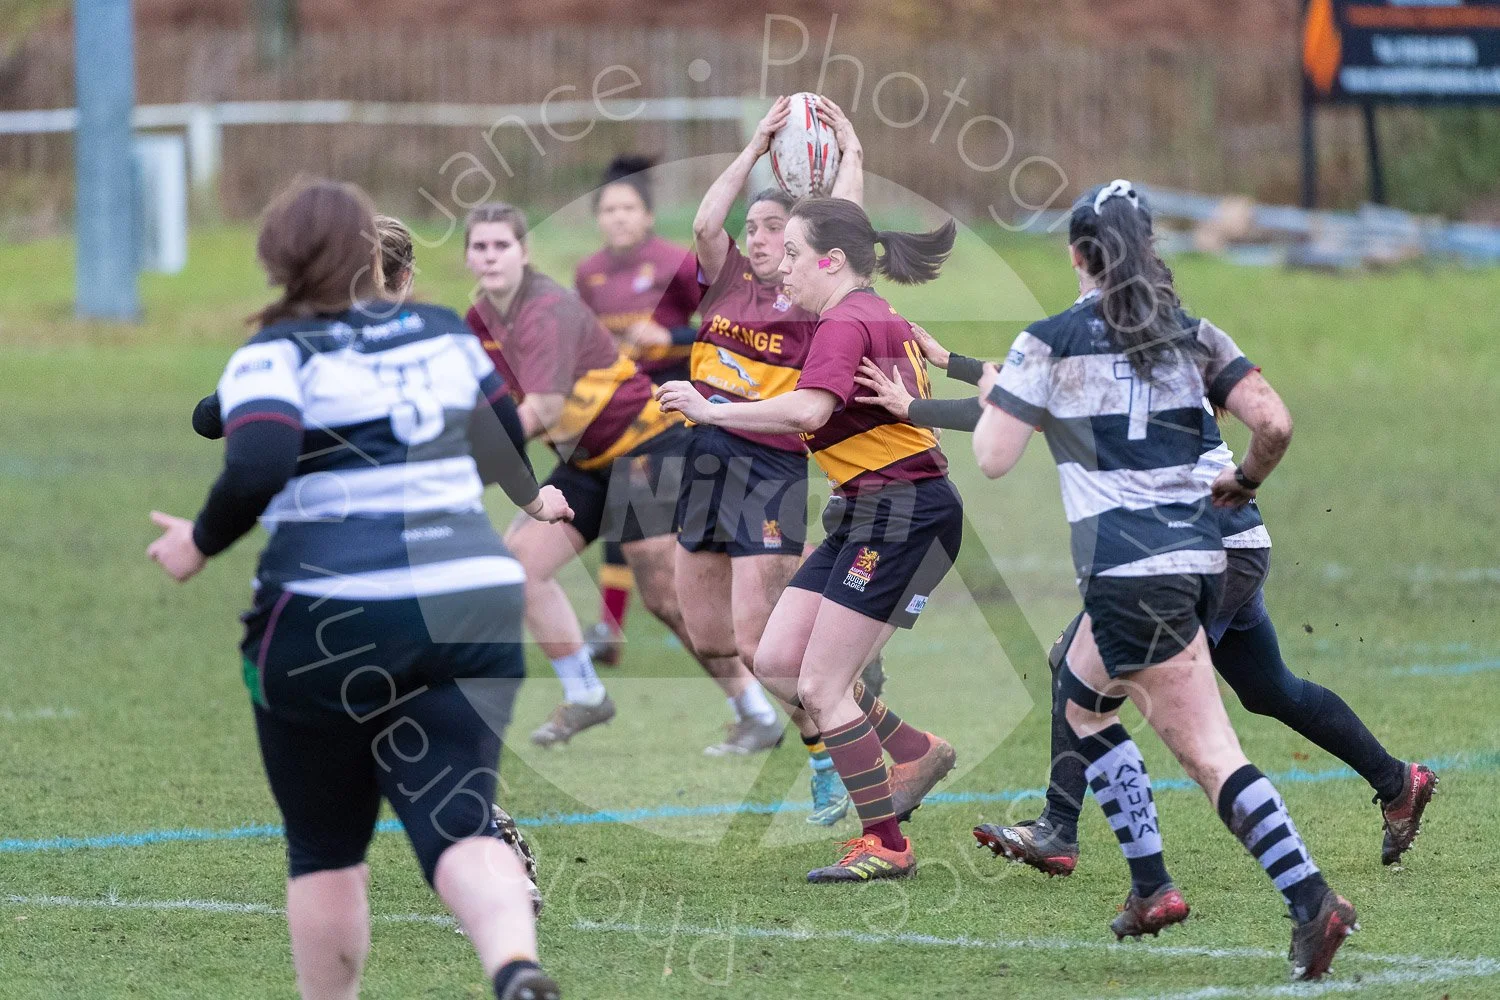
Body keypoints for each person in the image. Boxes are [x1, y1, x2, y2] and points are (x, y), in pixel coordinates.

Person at [146, 179, 567, 1000]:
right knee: (461, 826)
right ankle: (515, 967)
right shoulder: (446, 333)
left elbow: (257, 460)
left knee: (326, 850)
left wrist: (196, 544)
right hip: (472, 605)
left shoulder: (273, 354)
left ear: (278, 259)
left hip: (331, 614)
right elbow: (503, 438)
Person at [856, 325, 1438, 877]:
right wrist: (948, 363)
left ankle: (1068, 832)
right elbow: (1020, 390)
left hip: (1197, 554)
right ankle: (1398, 783)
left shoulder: (1107, 356)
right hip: (1231, 545)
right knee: (1268, 689)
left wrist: (914, 409)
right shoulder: (1158, 343)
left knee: (1089, 669)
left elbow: (1014, 412)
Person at [970, 179, 1355, 980]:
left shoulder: (1051, 340)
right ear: (1149, 251)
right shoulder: (1193, 332)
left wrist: (1004, 395)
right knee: (1080, 701)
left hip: (1128, 571)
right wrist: (1245, 481)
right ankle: (1150, 886)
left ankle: (1311, 899)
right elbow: (1274, 423)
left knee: (1211, 754)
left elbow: (993, 458)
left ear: (1079, 255)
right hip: (1205, 558)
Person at [657, 197, 961, 883]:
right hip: (869, 510)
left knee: (823, 686)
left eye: (793, 252)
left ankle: (886, 843)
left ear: (833, 261)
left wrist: (712, 409)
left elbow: (808, 409)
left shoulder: (846, 321)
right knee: (776, 659)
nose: (781, 265)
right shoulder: (866, 313)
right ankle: (913, 750)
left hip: (902, 512)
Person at [463, 202, 782, 754]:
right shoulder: (478, 321)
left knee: (665, 597)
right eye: (480, 246)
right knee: (520, 567)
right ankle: (586, 696)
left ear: (524, 252)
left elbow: (537, 410)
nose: (490, 256)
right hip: (585, 459)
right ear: (469, 256)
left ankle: (758, 710)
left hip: (646, 445)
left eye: (501, 245)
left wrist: (462, 464)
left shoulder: (547, 309)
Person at [673, 97, 871, 790]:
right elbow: (703, 221)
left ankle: (832, 738)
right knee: (709, 637)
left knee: (761, 648)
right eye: (750, 227)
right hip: (700, 463)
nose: (755, 238)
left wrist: (854, 156)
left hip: (767, 465)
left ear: (799, 245)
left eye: (771, 229)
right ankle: (821, 600)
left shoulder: (808, 294)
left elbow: (845, 222)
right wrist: (756, 147)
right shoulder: (724, 280)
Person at [574, 155, 704, 667]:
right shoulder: (588, 274)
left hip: (677, 409)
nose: (619, 217)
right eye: (609, 209)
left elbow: (724, 330)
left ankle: (615, 627)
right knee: (625, 513)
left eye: (628, 208)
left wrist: (669, 337)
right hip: (617, 414)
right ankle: (611, 629)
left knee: (642, 517)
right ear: (598, 217)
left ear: (648, 215)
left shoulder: (678, 262)